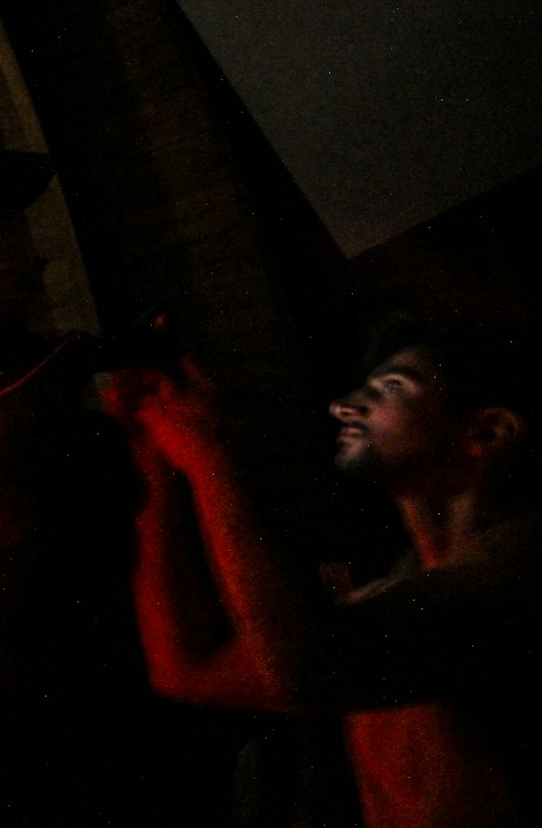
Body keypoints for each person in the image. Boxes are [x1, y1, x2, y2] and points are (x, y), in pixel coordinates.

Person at [104, 316, 541, 826]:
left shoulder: (521, 563)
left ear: (486, 431)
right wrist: (150, 459)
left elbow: (306, 670)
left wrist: (206, 457)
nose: (344, 406)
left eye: (392, 387)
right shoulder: (398, 589)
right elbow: (187, 670)